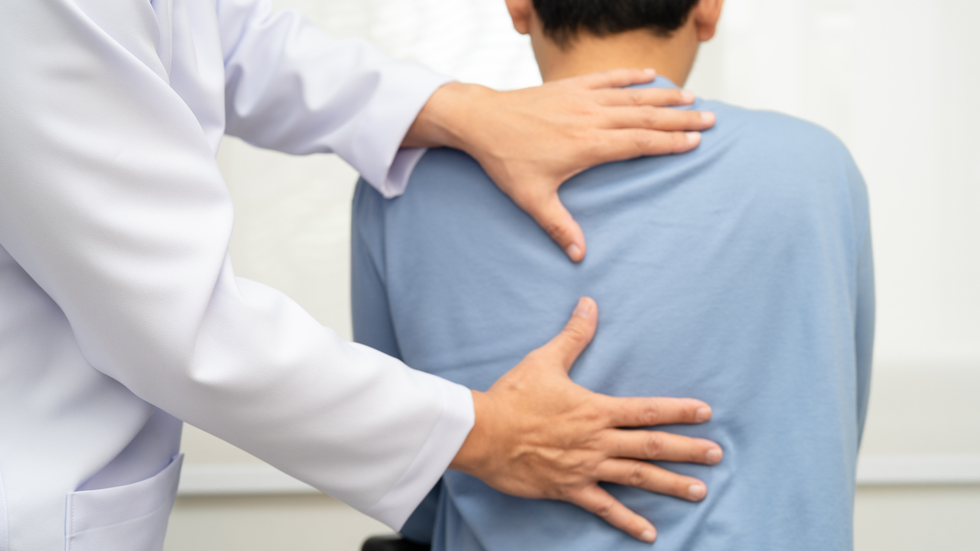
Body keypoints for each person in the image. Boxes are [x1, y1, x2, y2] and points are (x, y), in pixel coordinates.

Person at [0, 1, 725, 550]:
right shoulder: (815, 170)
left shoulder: (413, 199)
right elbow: (176, 328)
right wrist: (486, 432)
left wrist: (456, 109)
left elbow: (226, 36)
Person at [351, 0, 875, 548]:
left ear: (519, 6)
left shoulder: (401, 185)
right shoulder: (813, 170)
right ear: (709, 10)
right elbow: (832, 427)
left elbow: (408, 473)